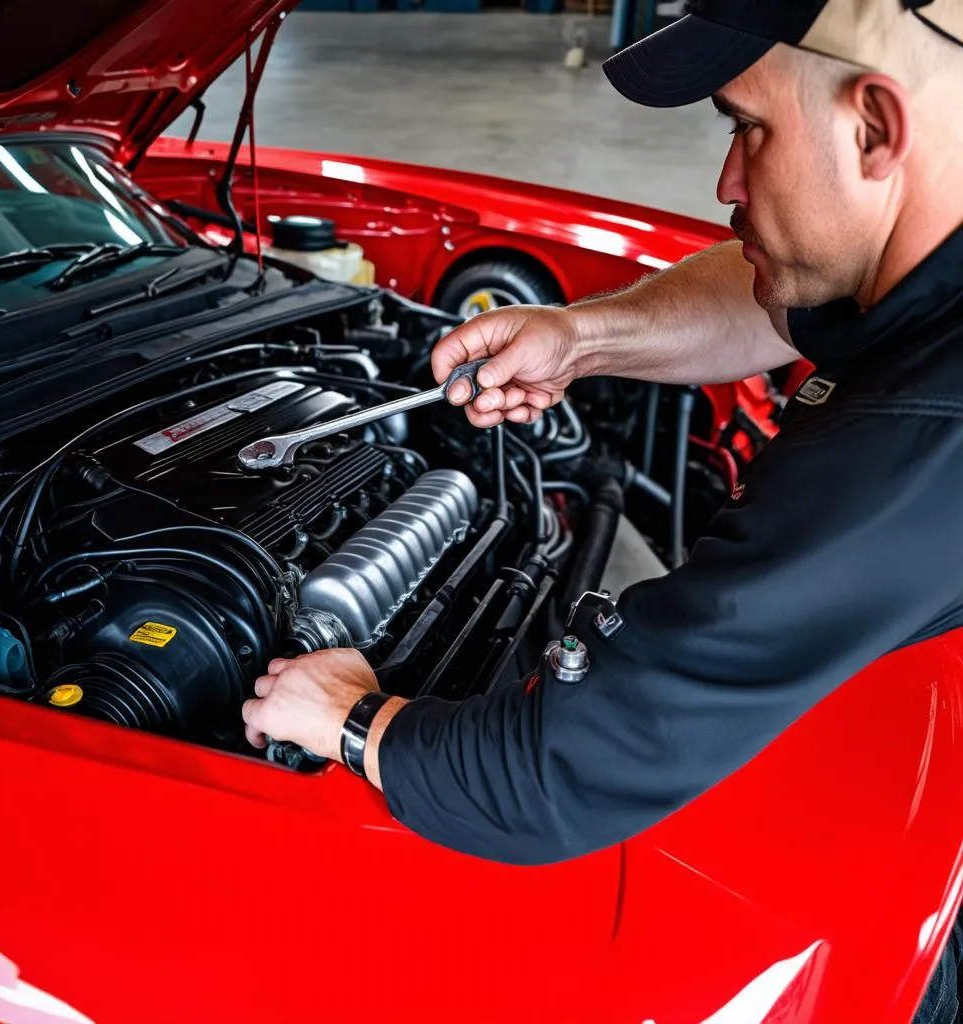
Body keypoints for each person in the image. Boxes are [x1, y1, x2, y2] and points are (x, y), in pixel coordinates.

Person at [243, 1, 963, 1019]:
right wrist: (579, 337)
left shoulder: (920, 429)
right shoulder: (929, 246)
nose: (724, 183)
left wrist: (352, 718)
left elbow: (561, 771)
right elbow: (778, 291)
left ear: (876, 128)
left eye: (745, 128)